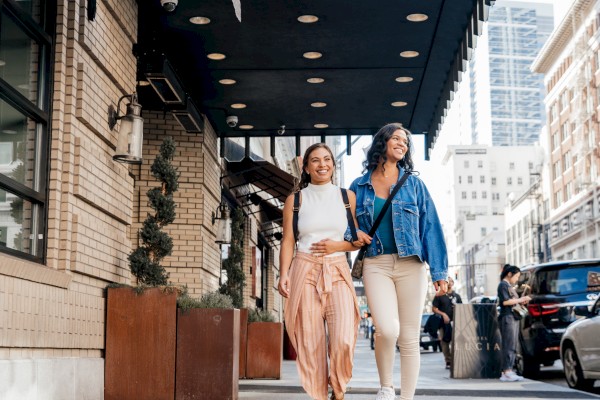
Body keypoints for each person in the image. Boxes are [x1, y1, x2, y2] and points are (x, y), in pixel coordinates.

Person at [349, 123, 449, 400]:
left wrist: (439, 271)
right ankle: (386, 387)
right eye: (396, 138)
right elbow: (346, 224)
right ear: (382, 142)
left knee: (408, 336)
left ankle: (406, 397)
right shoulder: (358, 185)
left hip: (411, 265)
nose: (402, 143)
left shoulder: (414, 185)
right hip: (376, 263)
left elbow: (430, 227)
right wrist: (353, 233)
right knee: (387, 328)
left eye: (405, 141)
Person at [278, 143, 368, 400]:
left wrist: (335, 246)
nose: (322, 164)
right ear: (306, 167)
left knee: (343, 339)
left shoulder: (346, 197)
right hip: (304, 268)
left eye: (327, 159)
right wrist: (283, 273)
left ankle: (338, 391)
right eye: (315, 160)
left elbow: (356, 238)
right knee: (310, 342)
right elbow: (287, 241)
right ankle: (318, 395)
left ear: (333, 164)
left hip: (338, 269)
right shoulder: (295, 200)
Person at [497, 264, 531, 382]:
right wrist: (520, 300)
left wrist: (521, 301)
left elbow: (512, 301)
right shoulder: (503, 285)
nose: (517, 279)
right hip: (507, 317)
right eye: (516, 276)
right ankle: (506, 371)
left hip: (512, 317)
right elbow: (505, 302)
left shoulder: (509, 286)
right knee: (509, 344)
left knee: (512, 344)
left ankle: (509, 370)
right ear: (509, 274)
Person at [432, 277, 462, 369]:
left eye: (451, 281)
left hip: (455, 322)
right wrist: (443, 314)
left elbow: (462, 307)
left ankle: (455, 359)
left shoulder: (457, 296)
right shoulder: (439, 295)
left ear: (453, 283)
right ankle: (448, 360)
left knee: (455, 341)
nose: (450, 283)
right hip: (443, 323)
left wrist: (457, 308)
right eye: (448, 281)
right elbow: (434, 309)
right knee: (445, 342)